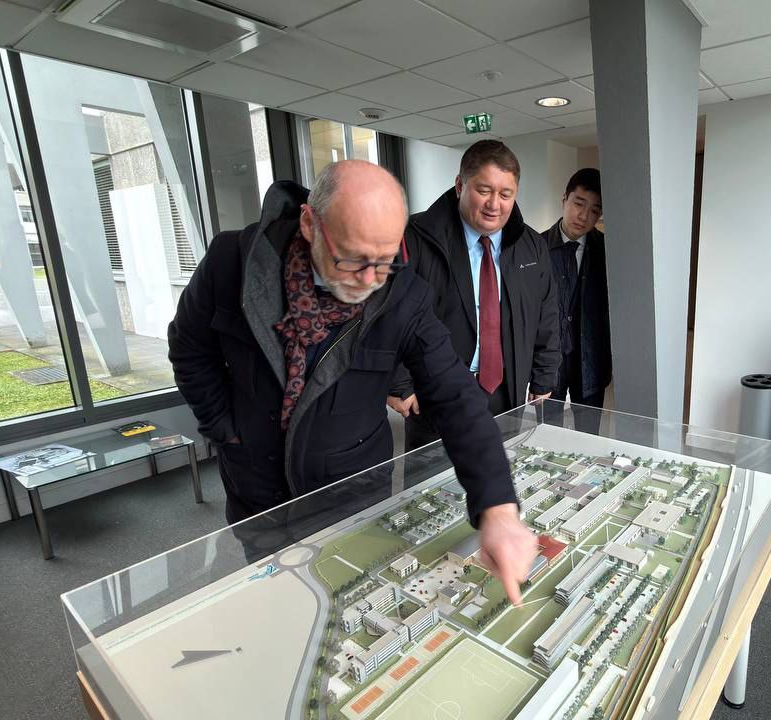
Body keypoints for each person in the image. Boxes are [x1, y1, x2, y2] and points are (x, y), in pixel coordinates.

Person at [167, 161, 536, 605]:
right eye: (353, 259)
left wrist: (497, 508)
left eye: (385, 260)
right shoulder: (231, 261)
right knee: (274, 604)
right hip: (258, 492)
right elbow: (189, 348)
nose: (370, 280)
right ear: (309, 224)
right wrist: (225, 428)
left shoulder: (403, 292)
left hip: (352, 496)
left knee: (351, 602)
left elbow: (456, 395)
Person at [389, 140, 560, 450]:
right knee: (436, 476)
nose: (494, 204)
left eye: (505, 194)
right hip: (436, 394)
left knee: (499, 470)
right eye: (484, 190)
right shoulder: (414, 238)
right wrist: (397, 382)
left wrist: (544, 374)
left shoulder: (532, 246)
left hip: (506, 391)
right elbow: (389, 313)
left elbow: (546, 313)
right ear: (460, 186)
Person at [544, 169, 611, 433]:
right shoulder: (537, 247)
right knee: (547, 436)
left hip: (591, 361)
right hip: (549, 364)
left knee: (589, 436)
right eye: (579, 204)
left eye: (595, 210)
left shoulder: (608, 251)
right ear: (565, 199)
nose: (584, 216)